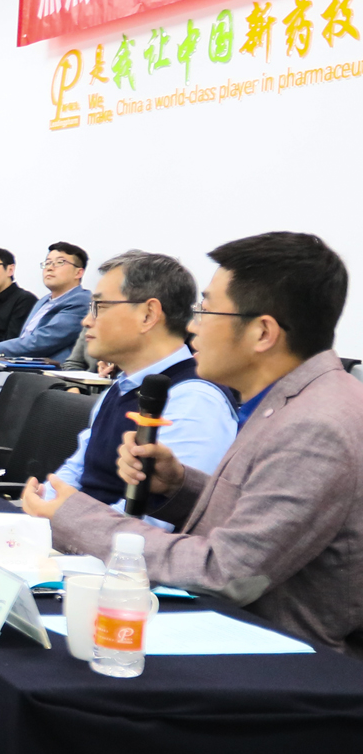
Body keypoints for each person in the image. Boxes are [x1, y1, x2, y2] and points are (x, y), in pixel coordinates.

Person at [26, 232, 363, 655]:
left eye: (206, 310)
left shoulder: (316, 425)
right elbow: (258, 517)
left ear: (262, 332)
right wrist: (178, 485)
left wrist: (74, 517)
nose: (191, 326)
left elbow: (224, 573)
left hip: (281, 660)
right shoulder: (296, 399)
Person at [26, 252, 237, 517]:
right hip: (79, 530)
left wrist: (63, 517)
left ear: (148, 315)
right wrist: (42, 501)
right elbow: (78, 469)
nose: (87, 320)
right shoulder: (122, 385)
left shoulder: (195, 400)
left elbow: (152, 523)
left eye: (99, 307)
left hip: (108, 539)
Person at [0, 242, 90, 364]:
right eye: (48, 263)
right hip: (24, 364)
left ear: (78, 273)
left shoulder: (81, 300)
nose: (50, 268)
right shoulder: (43, 301)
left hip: (54, 369)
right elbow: (26, 337)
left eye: (59, 262)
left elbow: (45, 340)